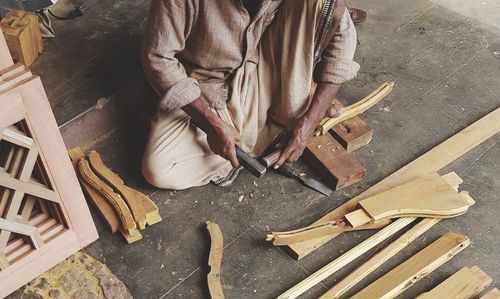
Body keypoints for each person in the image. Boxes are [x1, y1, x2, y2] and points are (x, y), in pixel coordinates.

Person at [141, 0, 360, 190]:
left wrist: (309, 122)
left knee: (324, 4)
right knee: (160, 169)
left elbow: (343, 36)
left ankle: (278, 125)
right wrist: (210, 124)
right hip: (205, 86)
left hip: (268, 66)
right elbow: (158, 59)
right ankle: (267, 135)